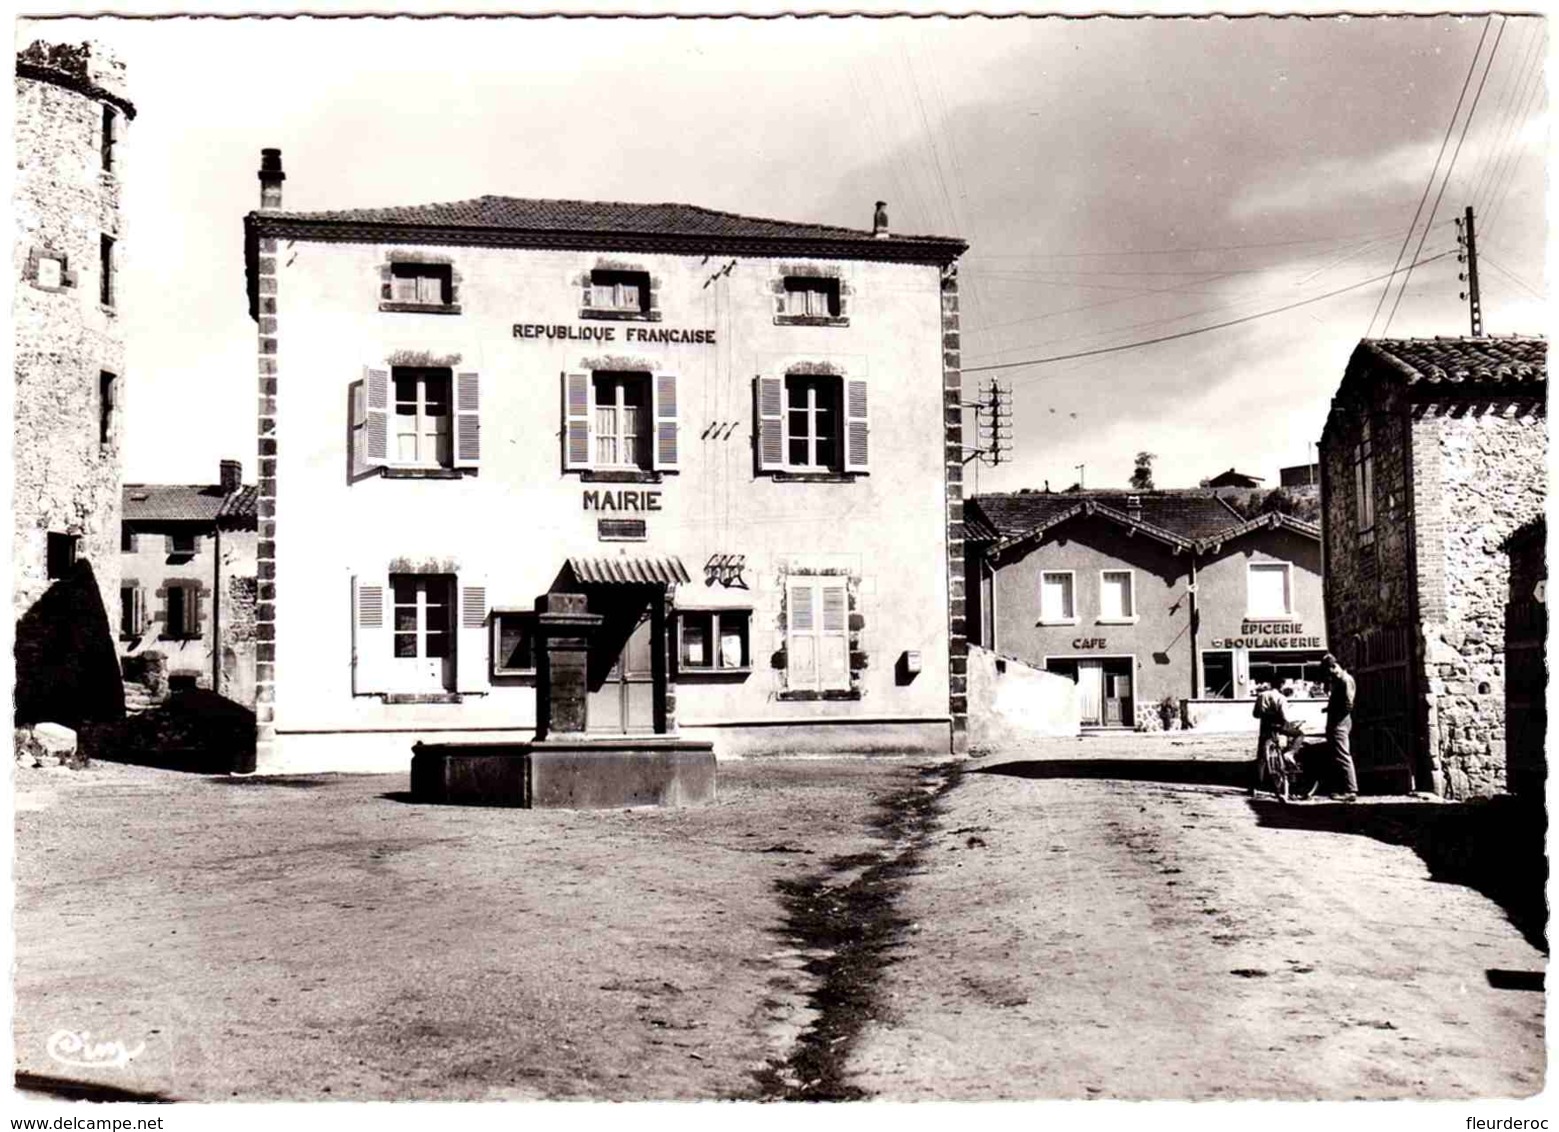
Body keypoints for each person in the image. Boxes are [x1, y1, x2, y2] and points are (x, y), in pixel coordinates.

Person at [1322, 653, 1358, 801]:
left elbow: (1348, 705)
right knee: (1337, 755)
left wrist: (1333, 711)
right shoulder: (1338, 681)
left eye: (1329, 670)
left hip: (1340, 723)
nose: (1329, 674)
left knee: (1343, 755)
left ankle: (1351, 790)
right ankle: (1341, 788)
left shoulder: (1345, 680)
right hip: (1336, 722)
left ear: (1334, 667)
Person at [1250, 681, 1294, 797]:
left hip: (1265, 726)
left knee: (1261, 757)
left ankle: (1256, 785)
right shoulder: (1281, 698)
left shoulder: (1261, 695)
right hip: (1278, 726)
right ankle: (1289, 757)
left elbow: (1255, 714)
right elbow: (1285, 717)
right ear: (1281, 685)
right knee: (1295, 737)